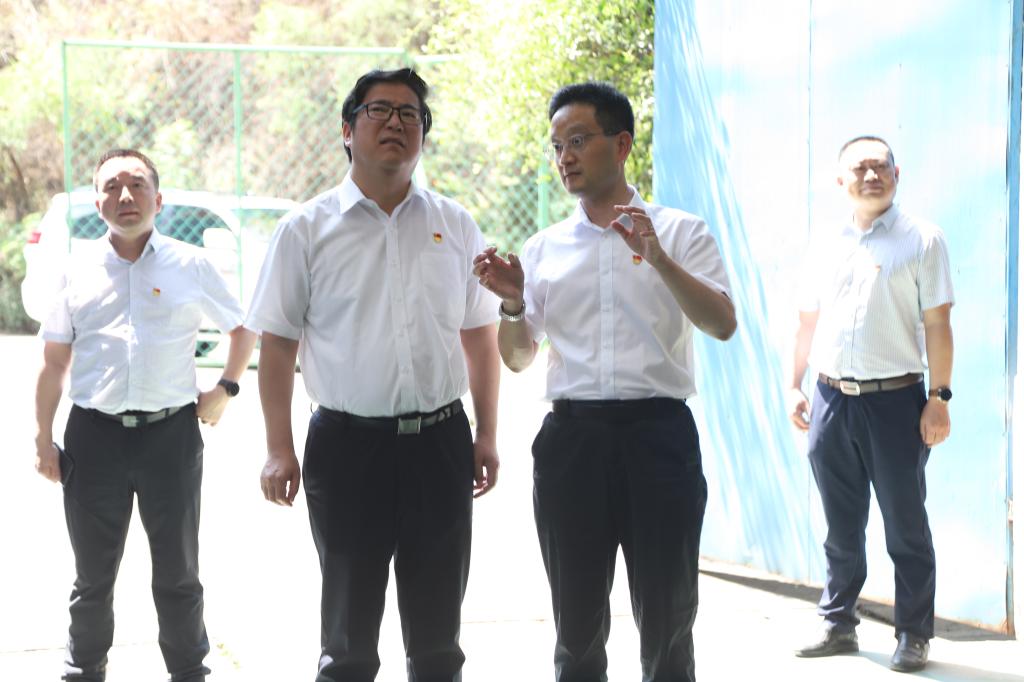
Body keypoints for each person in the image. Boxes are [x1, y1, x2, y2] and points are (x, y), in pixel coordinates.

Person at [473, 81, 736, 682]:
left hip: (659, 438)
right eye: (556, 145)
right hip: (573, 443)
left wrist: (659, 258)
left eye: (578, 140)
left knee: (669, 622)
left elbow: (722, 324)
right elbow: (518, 358)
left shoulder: (681, 231)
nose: (564, 156)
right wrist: (512, 304)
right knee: (576, 629)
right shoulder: (543, 248)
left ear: (621, 145)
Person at [246, 67, 500, 682]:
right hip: (347, 449)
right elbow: (277, 346)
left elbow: (480, 335)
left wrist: (487, 434)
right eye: (379, 110)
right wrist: (279, 447)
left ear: (423, 134)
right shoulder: (305, 229)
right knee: (348, 643)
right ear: (348, 129)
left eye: (410, 114)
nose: (395, 123)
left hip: (440, 445)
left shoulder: (455, 224)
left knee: (438, 642)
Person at [33, 148, 257, 682]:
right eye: (112, 186)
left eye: (137, 184)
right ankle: (83, 669)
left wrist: (226, 388)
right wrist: (42, 438)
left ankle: (188, 670)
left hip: (170, 438)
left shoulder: (191, 264)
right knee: (92, 575)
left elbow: (242, 328)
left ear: (159, 198)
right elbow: (54, 360)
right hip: (93, 439)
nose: (125, 195)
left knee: (179, 572)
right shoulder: (76, 268)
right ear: (97, 203)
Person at [788, 136, 954, 673]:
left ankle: (914, 633)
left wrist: (939, 397)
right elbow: (806, 321)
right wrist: (794, 384)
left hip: (896, 402)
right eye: (859, 168)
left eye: (880, 166)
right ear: (841, 180)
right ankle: (838, 622)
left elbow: (938, 324)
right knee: (840, 525)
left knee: (905, 525)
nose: (871, 175)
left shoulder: (922, 239)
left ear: (896, 175)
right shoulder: (825, 242)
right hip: (830, 398)